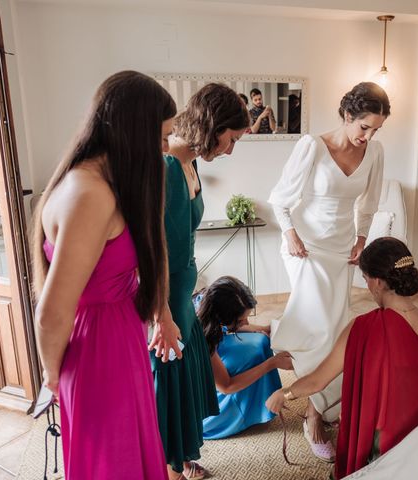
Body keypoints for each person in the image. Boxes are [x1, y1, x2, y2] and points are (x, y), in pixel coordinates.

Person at [32, 71, 179, 480]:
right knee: (114, 463)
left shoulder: (100, 180)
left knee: (127, 454)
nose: (165, 147)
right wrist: (51, 377)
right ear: (134, 130)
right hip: (99, 351)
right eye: (161, 135)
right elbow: (51, 313)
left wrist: (160, 312)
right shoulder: (89, 195)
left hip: (117, 337)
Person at [266, 237, 418, 479]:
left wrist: (284, 394)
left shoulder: (365, 327)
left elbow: (318, 381)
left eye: (366, 279)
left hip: (389, 439)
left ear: (377, 281)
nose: (367, 285)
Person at [268, 82, 389, 461]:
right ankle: (316, 415)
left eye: (376, 130)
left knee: (337, 328)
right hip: (305, 247)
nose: (368, 136)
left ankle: (317, 409)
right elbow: (280, 200)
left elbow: (368, 201)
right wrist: (289, 235)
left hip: (342, 251)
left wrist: (361, 237)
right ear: (348, 115)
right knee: (317, 329)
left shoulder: (375, 152)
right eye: (364, 127)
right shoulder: (312, 146)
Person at [154, 83, 250, 480]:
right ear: (213, 127)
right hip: (166, 297)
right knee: (167, 390)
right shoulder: (164, 166)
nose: (230, 150)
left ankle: (179, 460)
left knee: (185, 393)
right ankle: (167, 469)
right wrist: (161, 314)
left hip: (183, 293)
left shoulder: (191, 163)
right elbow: (153, 249)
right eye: (230, 139)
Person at [192, 276, 293, 439]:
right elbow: (227, 386)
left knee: (260, 340)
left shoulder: (208, 301)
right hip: (203, 409)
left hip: (214, 351)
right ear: (221, 317)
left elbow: (228, 327)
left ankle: (256, 405)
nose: (246, 322)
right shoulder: (200, 337)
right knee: (250, 358)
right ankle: (237, 412)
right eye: (240, 320)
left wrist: (262, 328)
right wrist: (271, 364)